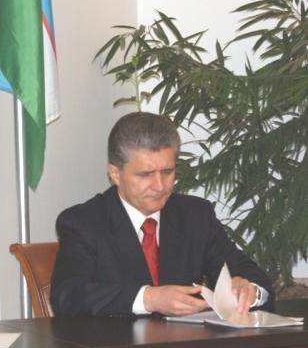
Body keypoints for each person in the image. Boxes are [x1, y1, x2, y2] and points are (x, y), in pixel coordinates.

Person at [50, 112, 273, 317]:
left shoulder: (195, 216)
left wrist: (250, 290)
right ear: (115, 174)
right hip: (115, 344)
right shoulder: (83, 222)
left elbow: (251, 275)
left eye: (167, 172)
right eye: (146, 174)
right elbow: (67, 295)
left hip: (186, 344)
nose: (159, 186)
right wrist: (150, 299)